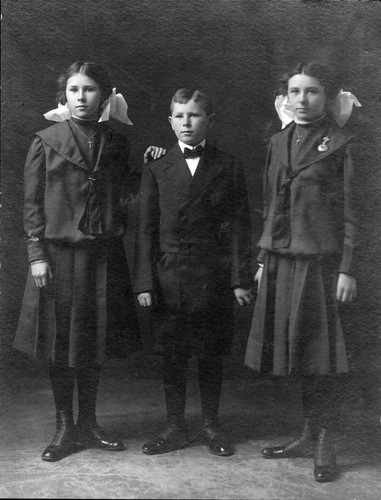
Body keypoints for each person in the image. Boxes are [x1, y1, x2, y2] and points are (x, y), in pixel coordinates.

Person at [14, 61, 164, 462]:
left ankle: (90, 422)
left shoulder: (116, 143)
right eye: (75, 90)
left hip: (102, 256)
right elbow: (31, 202)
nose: (82, 98)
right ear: (65, 96)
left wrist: (146, 170)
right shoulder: (46, 140)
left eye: (91, 90)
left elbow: (122, 198)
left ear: (106, 96)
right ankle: (65, 425)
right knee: (61, 342)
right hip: (58, 256)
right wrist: (35, 253)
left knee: (93, 341)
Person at [244, 61, 361, 482]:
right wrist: (261, 259)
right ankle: (307, 433)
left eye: (312, 92)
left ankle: (326, 441)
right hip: (281, 260)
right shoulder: (277, 142)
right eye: (295, 92)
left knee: (322, 357)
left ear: (326, 98)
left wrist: (347, 268)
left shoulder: (343, 143)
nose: (302, 100)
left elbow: (355, 213)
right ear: (285, 97)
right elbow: (270, 205)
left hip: (322, 265)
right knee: (298, 352)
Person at [133, 88, 253, 457]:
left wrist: (239, 278)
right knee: (173, 354)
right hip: (169, 276)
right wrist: (144, 281)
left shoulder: (228, 165)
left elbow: (239, 226)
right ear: (170, 121)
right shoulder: (156, 167)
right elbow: (145, 230)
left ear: (209, 121)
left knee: (210, 353)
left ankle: (212, 425)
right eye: (179, 116)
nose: (186, 122)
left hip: (211, 275)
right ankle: (174, 427)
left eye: (194, 115)